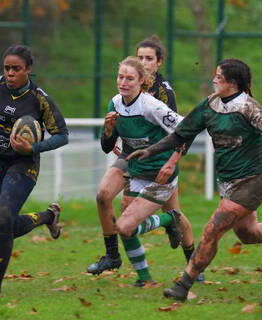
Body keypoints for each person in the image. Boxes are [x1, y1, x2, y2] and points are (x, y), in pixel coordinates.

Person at [127, 58, 262, 299]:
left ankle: (183, 286)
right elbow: (181, 134)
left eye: (218, 77)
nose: (213, 80)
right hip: (228, 182)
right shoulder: (210, 104)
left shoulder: (248, 107)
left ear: (232, 82)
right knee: (249, 235)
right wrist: (151, 151)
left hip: (252, 180)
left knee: (212, 230)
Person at [88, 36, 202, 283]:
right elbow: (107, 146)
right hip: (132, 160)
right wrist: (109, 131)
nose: (124, 82)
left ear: (143, 79)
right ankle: (116, 258)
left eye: (130, 78)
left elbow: (185, 130)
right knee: (103, 196)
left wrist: (171, 162)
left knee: (144, 220)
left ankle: (187, 260)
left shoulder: (156, 102)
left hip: (158, 167)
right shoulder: (116, 102)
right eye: (121, 77)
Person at [0, 45, 69, 298]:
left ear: (28, 70)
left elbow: (62, 136)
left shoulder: (39, 100)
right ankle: (47, 217)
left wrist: (33, 147)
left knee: (2, 222)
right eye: (7, 68)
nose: (10, 73)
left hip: (23, 164)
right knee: (2, 226)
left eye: (16, 69)